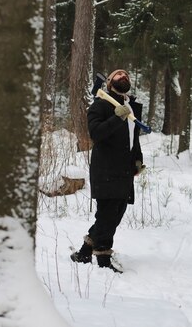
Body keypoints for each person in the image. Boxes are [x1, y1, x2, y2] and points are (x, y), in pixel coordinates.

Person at [70, 69, 145, 273]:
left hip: (124, 170)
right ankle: (103, 257)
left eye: (126, 76)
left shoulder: (132, 107)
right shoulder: (100, 105)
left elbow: (133, 138)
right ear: (109, 83)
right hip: (106, 169)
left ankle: (85, 251)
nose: (124, 78)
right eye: (119, 76)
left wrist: (138, 160)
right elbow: (96, 133)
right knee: (107, 215)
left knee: (116, 213)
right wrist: (117, 118)